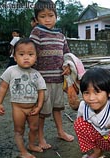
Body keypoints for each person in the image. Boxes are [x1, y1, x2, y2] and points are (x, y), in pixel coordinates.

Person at [29, 0, 74, 150]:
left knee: (58, 108)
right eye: (42, 16)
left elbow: (67, 54)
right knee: (42, 112)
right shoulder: (36, 33)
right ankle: (40, 138)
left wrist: (68, 66)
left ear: (56, 16)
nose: (47, 19)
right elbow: (31, 54)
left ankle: (60, 132)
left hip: (58, 79)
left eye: (50, 15)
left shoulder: (61, 35)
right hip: (42, 82)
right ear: (36, 19)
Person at [0, 38, 46, 158]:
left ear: (36, 57)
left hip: (33, 108)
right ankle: (23, 151)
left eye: (30, 54)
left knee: (34, 128)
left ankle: (31, 144)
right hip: (18, 108)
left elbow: (41, 91)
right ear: (14, 57)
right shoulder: (11, 71)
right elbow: (3, 87)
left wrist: (39, 106)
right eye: (21, 54)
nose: (26, 57)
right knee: (19, 130)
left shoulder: (36, 74)